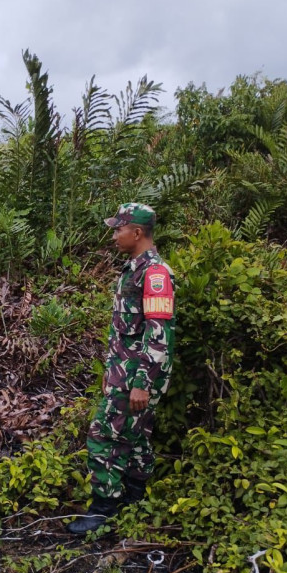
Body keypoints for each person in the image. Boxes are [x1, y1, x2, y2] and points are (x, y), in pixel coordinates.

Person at [67, 203, 176, 535]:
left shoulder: (155, 274)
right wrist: (111, 370)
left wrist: (141, 382)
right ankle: (135, 499)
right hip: (124, 373)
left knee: (102, 435)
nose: (114, 235)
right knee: (135, 435)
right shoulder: (133, 270)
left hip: (138, 377)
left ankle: (103, 510)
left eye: (119, 229)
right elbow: (125, 334)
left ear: (137, 233)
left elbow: (159, 335)